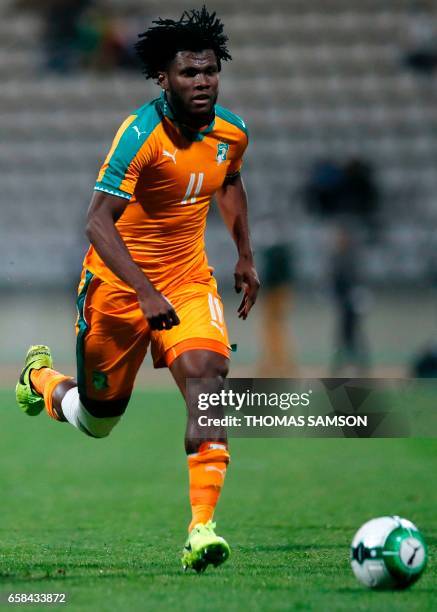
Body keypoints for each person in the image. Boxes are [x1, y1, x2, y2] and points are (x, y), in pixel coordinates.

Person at [15, 7, 259, 574]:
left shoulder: (232, 133)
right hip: (118, 289)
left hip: (189, 281)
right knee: (98, 420)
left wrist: (244, 256)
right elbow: (97, 221)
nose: (202, 81)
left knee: (208, 383)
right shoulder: (139, 134)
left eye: (210, 71)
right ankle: (42, 381)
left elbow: (230, 183)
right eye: (189, 73)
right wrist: (145, 292)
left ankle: (202, 530)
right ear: (163, 79)